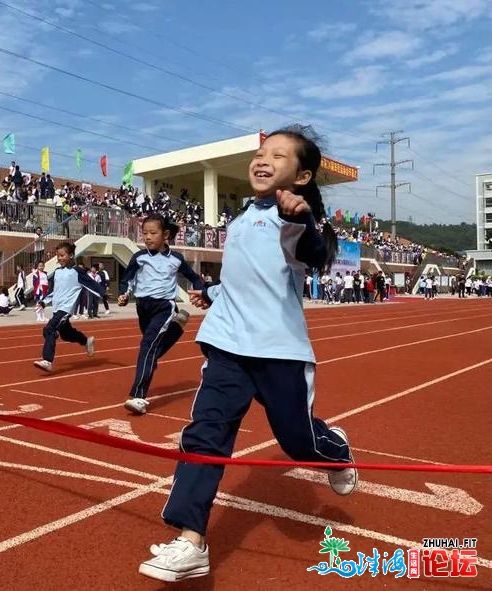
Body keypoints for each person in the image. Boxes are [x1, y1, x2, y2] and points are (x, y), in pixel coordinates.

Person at [138, 126, 357, 582]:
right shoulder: (239, 219)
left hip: (278, 350)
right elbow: (248, 275)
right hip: (227, 346)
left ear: (301, 177)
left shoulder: (296, 221)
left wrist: (301, 219)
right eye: (261, 153)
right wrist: (215, 294)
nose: (263, 160)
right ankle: (191, 540)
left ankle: (335, 451)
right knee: (205, 434)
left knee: (298, 441)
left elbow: (311, 255)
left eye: (278, 156)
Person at [118, 213, 204, 415]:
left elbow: (193, 277)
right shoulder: (139, 257)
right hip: (143, 307)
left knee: (147, 346)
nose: (147, 237)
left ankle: (139, 396)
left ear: (165, 235)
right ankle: (178, 326)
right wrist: (124, 294)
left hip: (164, 307)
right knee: (151, 350)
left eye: (153, 233)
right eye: (144, 233)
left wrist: (202, 291)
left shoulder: (175, 259)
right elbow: (127, 279)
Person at [33, 242, 101, 372]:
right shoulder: (57, 272)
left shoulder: (77, 272)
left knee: (49, 329)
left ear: (70, 255)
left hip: (66, 309)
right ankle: (86, 341)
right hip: (57, 308)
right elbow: (53, 291)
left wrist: (103, 294)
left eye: (62, 255)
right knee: (65, 334)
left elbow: (92, 285)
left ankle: (47, 360)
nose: (59, 258)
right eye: (57, 256)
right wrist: (43, 302)